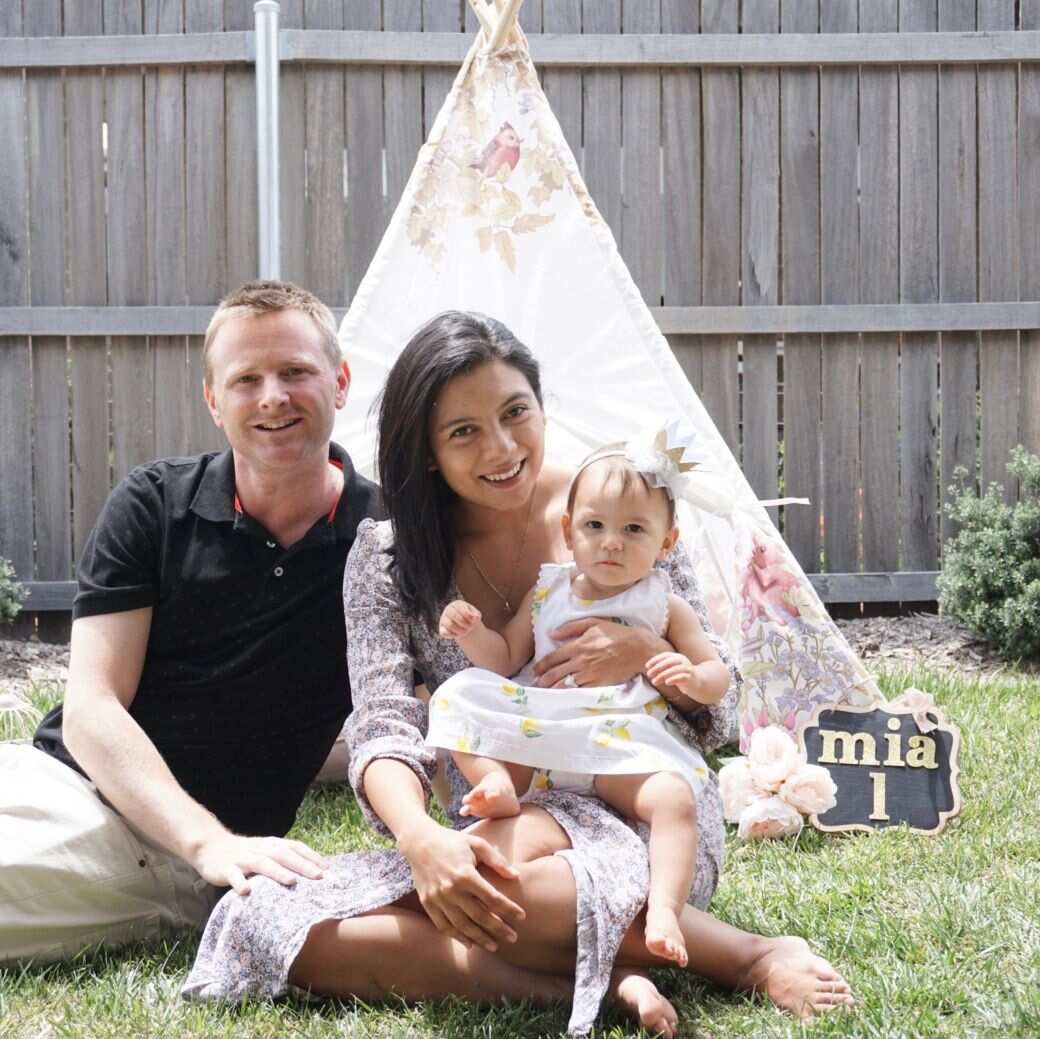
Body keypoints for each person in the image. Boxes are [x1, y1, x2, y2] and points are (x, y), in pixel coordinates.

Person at [185, 311, 854, 1038]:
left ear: (541, 406)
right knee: (275, 919)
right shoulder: (388, 555)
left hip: (644, 816)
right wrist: (420, 838)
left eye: (515, 414)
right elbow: (383, 722)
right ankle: (594, 983)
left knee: (516, 896)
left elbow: (717, 713)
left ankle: (749, 956)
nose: (501, 447)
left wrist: (643, 660)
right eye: (464, 431)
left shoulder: (619, 505)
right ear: (428, 450)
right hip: (509, 817)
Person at [0, 280, 382, 966]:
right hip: (56, 775)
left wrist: (209, 845)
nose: (272, 396)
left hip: (152, 848)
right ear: (213, 399)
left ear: (341, 380)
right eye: (245, 378)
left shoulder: (385, 541)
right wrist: (211, 839)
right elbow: (91, 709)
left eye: (295, 370)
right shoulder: (154, 504)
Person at [428, 440, 732, 969]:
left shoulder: (663, 604)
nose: (611, 543)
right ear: (569, 532)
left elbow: (716, 675)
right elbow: (502, 662)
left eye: (634, 529)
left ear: (667, 542)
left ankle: (664, 909)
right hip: (548, 740)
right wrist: (472, 633)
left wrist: (687, 672)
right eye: (595, 527)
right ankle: (496, 780)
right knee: (459, 693)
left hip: (621, 746)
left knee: (674, 801)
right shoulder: (548, 592)